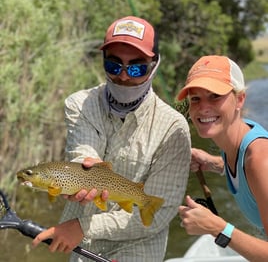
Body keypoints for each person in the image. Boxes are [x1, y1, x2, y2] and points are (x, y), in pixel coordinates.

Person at [32, 16, 191, 262]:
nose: (124, 76)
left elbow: (160, 213)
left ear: (155, 64)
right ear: (104, 63)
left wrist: (83, 226)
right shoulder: (79, 104)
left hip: (137, 249)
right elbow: (83, 152)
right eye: (114, 66)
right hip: (80, 249)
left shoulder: (173, 128)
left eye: (137, 67)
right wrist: (84, 171)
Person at [177, 55, 268, 261]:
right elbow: (246, 172)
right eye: (195, 99)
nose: (203, 107)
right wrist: (214, 163)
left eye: (215, 96)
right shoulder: (239, 139)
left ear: (240, 99)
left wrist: (217, 227)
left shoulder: (260, 159)